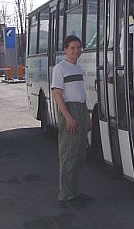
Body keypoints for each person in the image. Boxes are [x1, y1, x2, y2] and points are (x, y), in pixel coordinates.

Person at [51, 35, 93, 209]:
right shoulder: (60, 68)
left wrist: (87, 116)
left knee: (79, 155)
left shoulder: (77, 67)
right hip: (70, 111)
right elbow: (57, 95)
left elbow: (80, 93)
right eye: (72, 48)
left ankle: (74, 191)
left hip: (81, 110)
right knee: (68, 155)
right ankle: (65, 196)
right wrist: (68, 117)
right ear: (65, 50)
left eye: (78, 48)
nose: (76, 51)